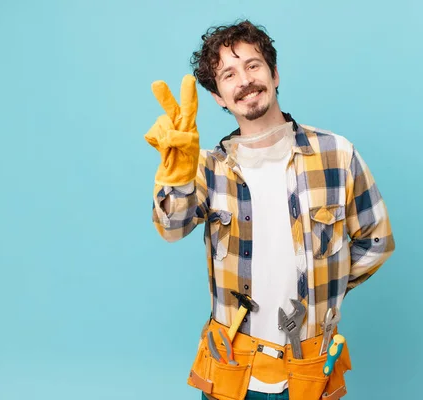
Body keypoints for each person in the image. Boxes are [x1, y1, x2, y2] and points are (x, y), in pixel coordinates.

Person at [145, 19, 395, 400]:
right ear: (218, 96)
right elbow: (172, 227)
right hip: (231, 369)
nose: (244, 80)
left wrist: (323, 288)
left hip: (310, 371)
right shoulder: (208, 168)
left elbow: (376, 240)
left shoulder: (336, 154)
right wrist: (177, 175)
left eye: (252, 65)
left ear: (274, 74)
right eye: (228, 74)